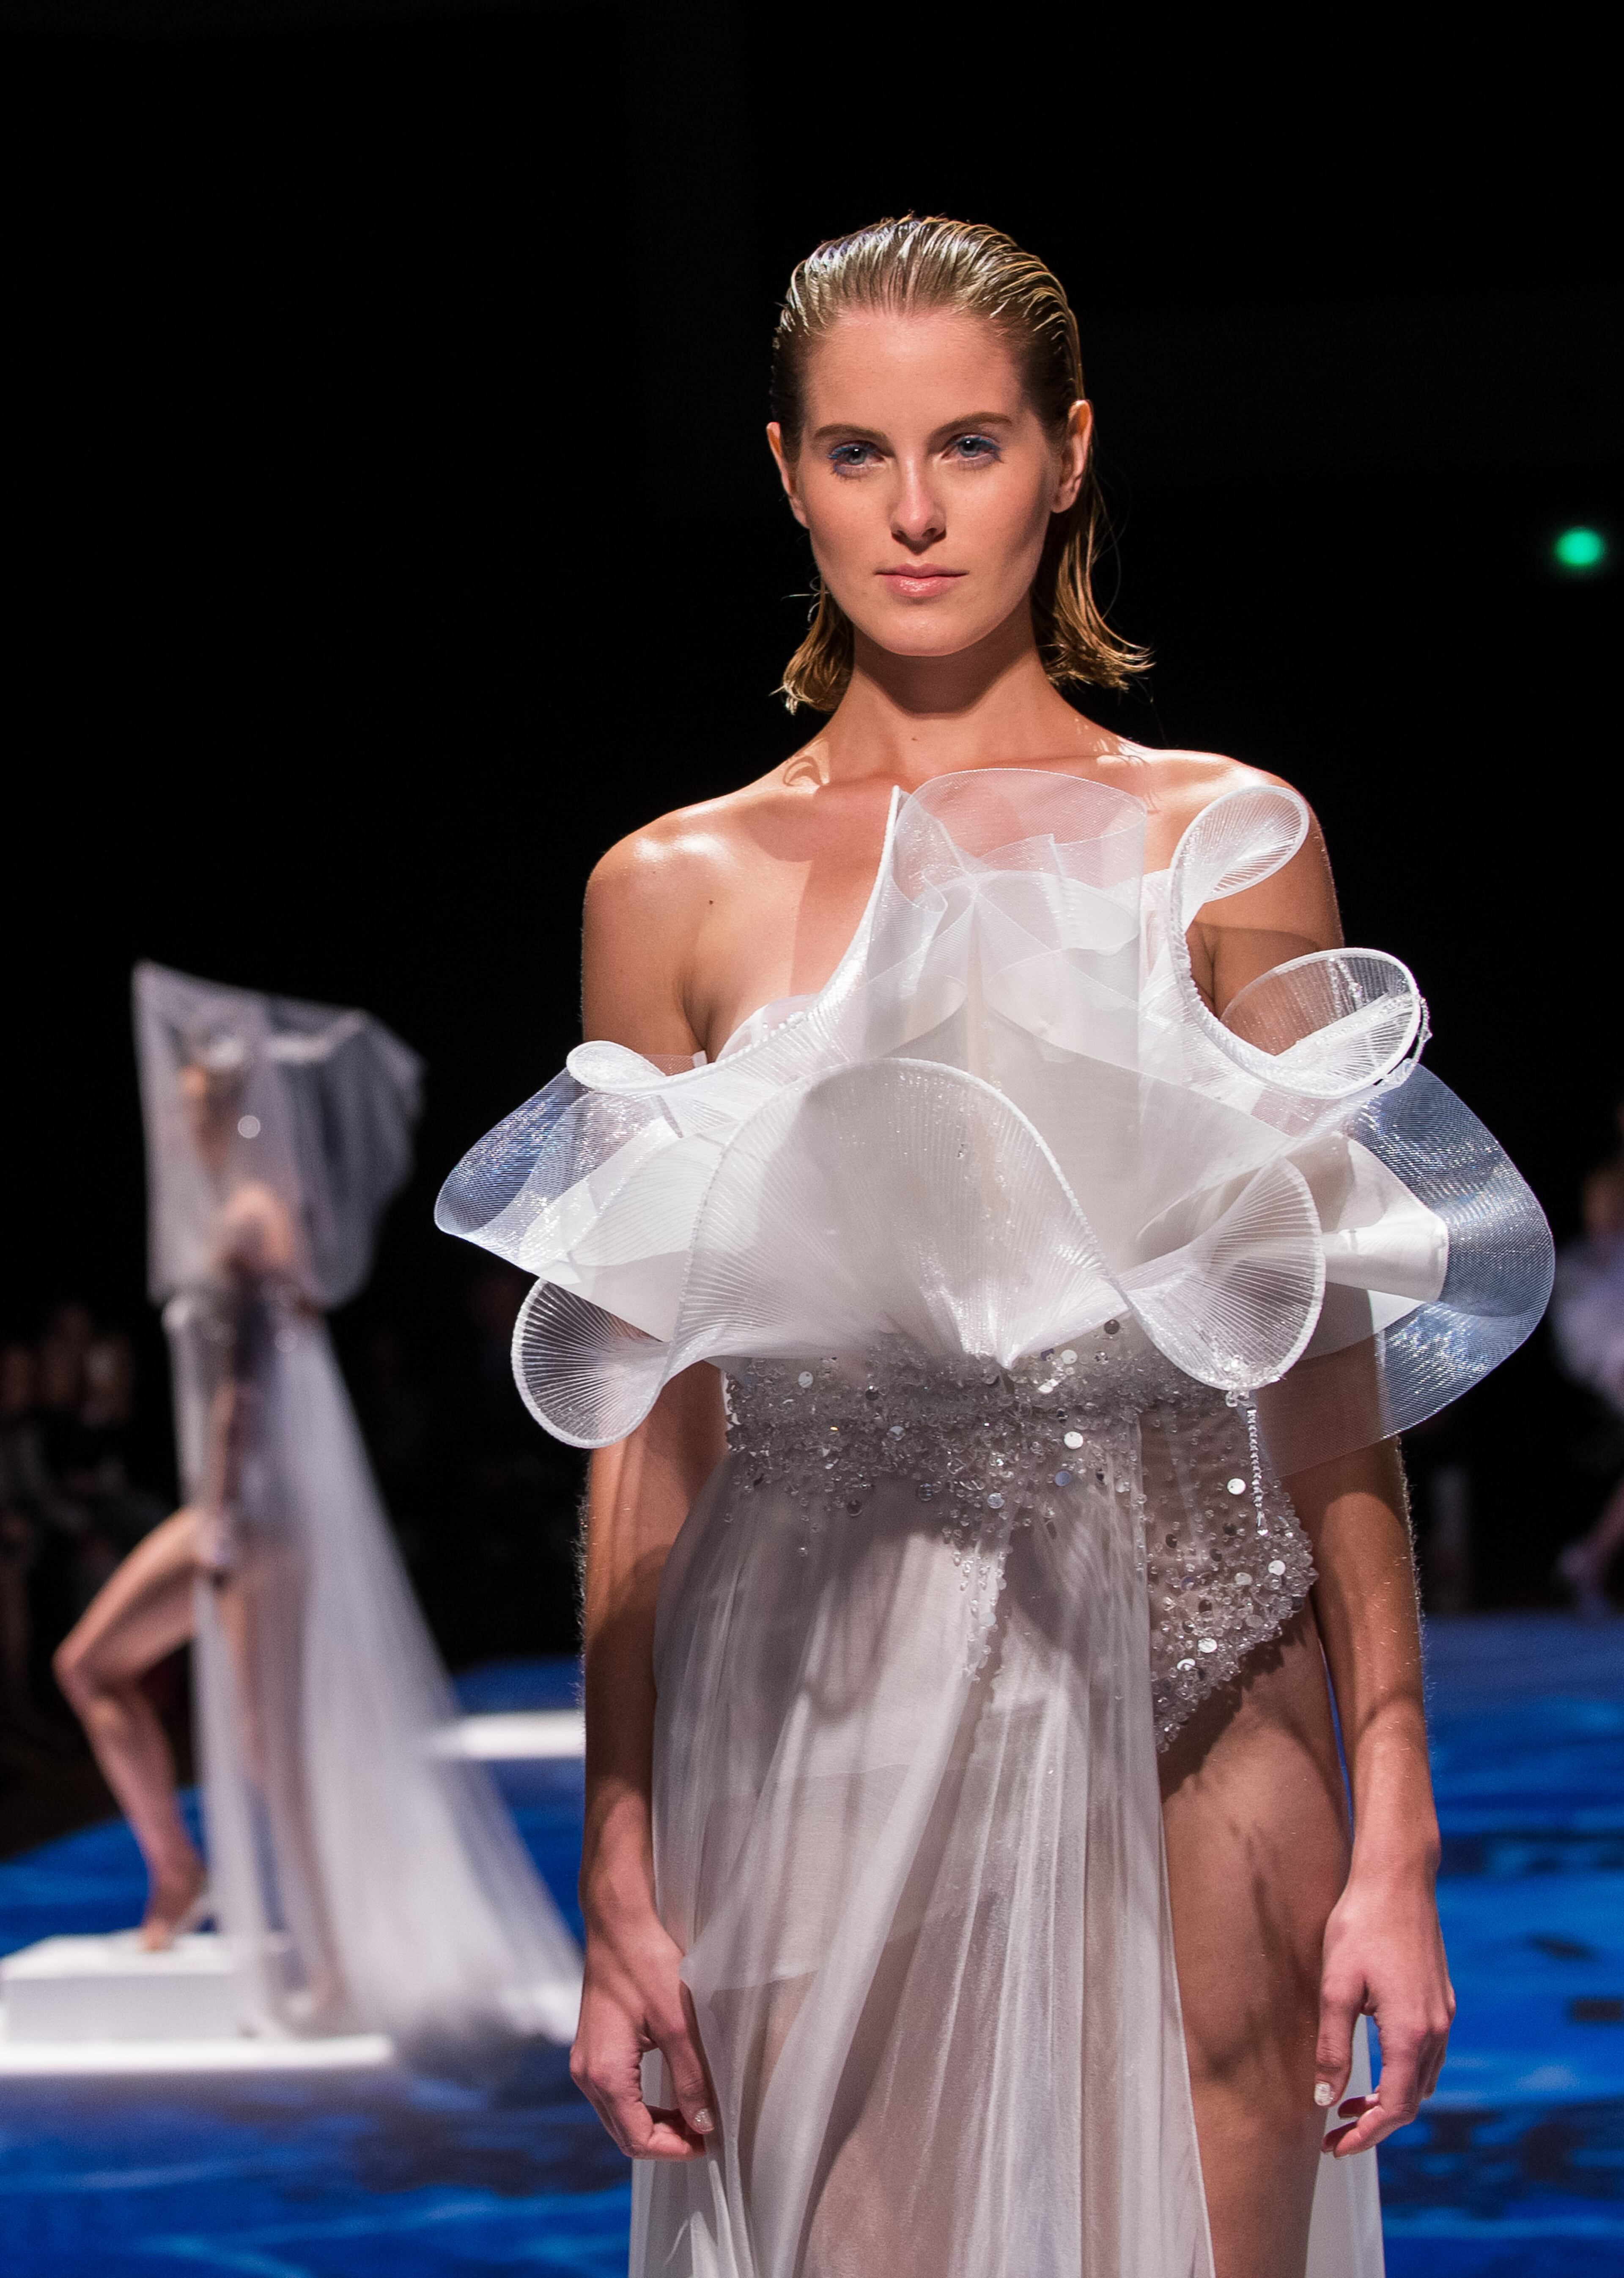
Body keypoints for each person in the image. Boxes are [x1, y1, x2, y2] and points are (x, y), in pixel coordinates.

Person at [438, 218, 1553, 2277]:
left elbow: (1323, 1364)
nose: (919, 510)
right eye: (859, 455)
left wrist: (1397, 1804)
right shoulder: (669, 888)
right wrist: (617, 1861)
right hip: (816, 1693)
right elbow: (647, 1415)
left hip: (1205, 1677)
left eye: (969, 443)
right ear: (784, 470)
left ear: (1069, 453)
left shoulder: (1223, 837)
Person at [55, 964, 581, 2053]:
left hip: (254, 1503)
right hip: (239, 1496)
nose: (183, 1109)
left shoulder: (249, 1216)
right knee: (116, 1674)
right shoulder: (244, 1213)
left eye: (198, 1096)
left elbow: (250, 1381)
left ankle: (322, 1945)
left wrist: (227, 1511)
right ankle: (186, 1875)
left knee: (255, 1732)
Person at [1550, 1095, 1624, 1618]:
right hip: (1611, 1311)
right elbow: (1604, 1241)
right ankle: (1591, 1559)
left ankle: (1591, 1559)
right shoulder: (1609, 1179)